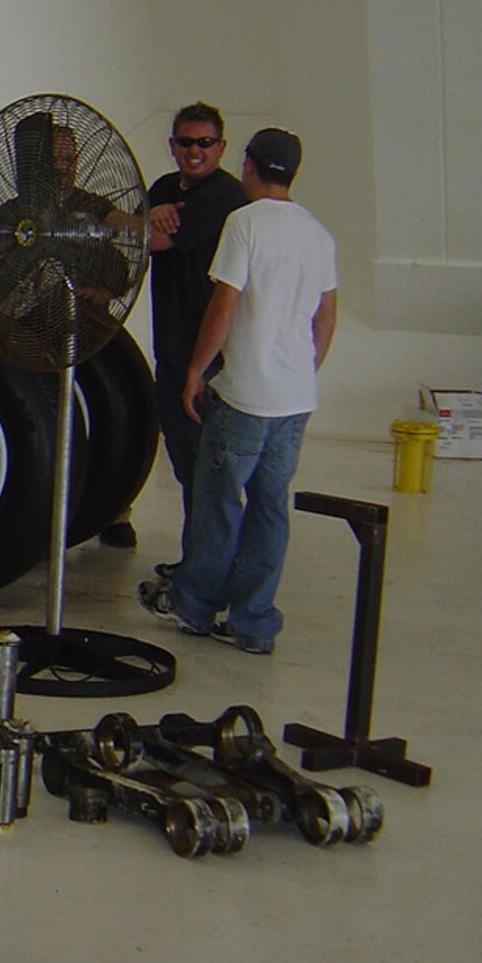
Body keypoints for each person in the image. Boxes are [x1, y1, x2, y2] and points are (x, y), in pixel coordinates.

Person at [137, 128, 336, 654]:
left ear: (247, 165)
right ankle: (254, 623)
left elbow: (223, 305)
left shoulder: (244, 224)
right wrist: (303, 367)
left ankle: (196, 607)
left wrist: (197, 370)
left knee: (217, 501)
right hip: (296, 399)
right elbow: (325, 316)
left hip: (244, 393)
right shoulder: (317, 234)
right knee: (271, 506)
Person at [140, 102, 247, 578]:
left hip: (210, 360)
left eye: (204, 143)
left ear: (221, 147)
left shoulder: (225, 196)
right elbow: (132, 230)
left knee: (210, 475)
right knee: (187, 468)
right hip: (173, 349)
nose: (194, 151)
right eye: (185, 142)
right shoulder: (164, 188)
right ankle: (199, 567)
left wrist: (148, 224)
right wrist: (149, 217)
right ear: (172, 146)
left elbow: (152, 240)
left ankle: (210, 574)